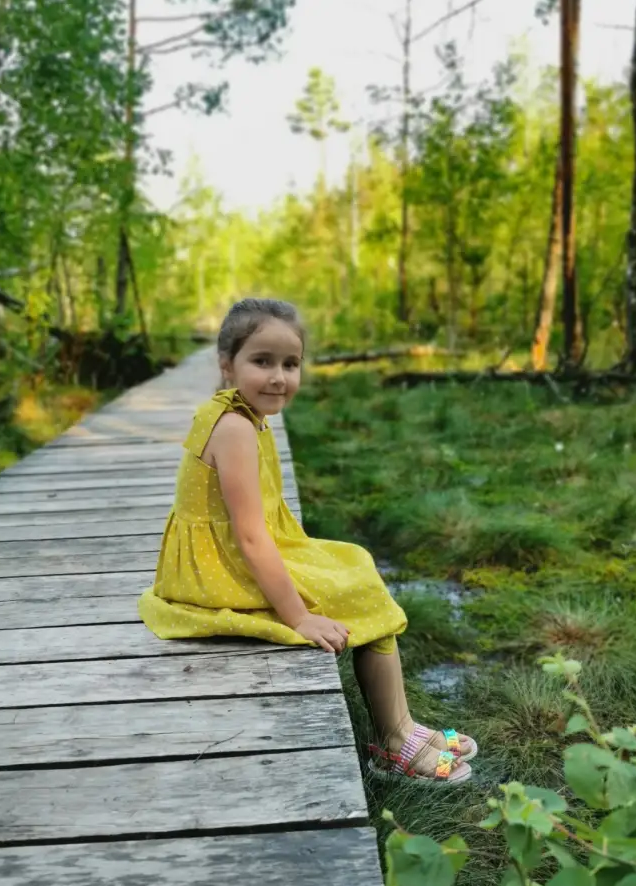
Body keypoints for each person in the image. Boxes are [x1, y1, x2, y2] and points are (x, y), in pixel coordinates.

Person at [138, 298, 477, 785]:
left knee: (353, 561)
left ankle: (401, 725)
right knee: (360, 590)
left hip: (223, 558)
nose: (278, 377)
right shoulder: (233, 428)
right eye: (262, 362)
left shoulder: (244, 414)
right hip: (216, 574)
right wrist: (297, 615)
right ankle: (394, 742)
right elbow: (251, 537)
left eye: (290, 364)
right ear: (226, 363)